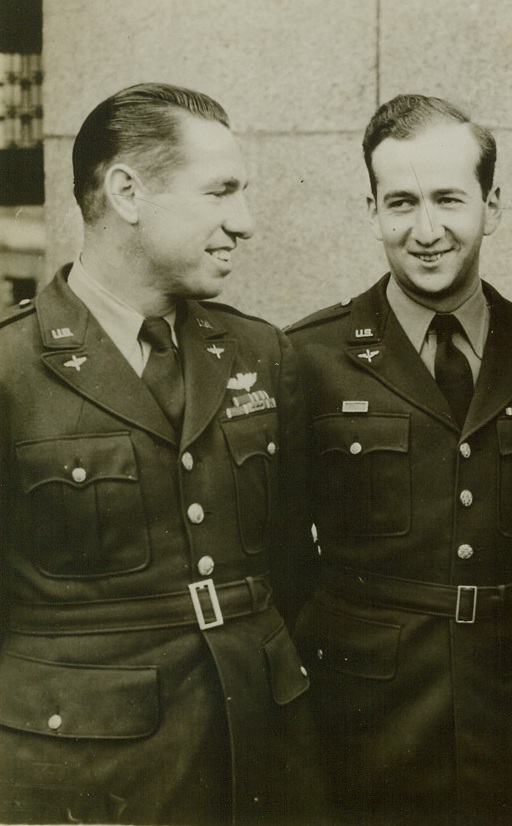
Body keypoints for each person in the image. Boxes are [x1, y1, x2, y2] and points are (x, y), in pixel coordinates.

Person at [0, 83, 324, 824]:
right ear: (127, 192)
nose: (243, 223)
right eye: (221, 192)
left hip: (255, 752)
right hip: (88, 772)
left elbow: (292, 568)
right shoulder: (12, 372)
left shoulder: (258, 352)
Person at [285, 93, 512, 826]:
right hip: (358, 717)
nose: (426, 231)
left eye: (449, 200)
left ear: (492, 204)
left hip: (505, 708)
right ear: (371, 209)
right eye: (401, 203)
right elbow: (282, 552)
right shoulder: (308, 358)